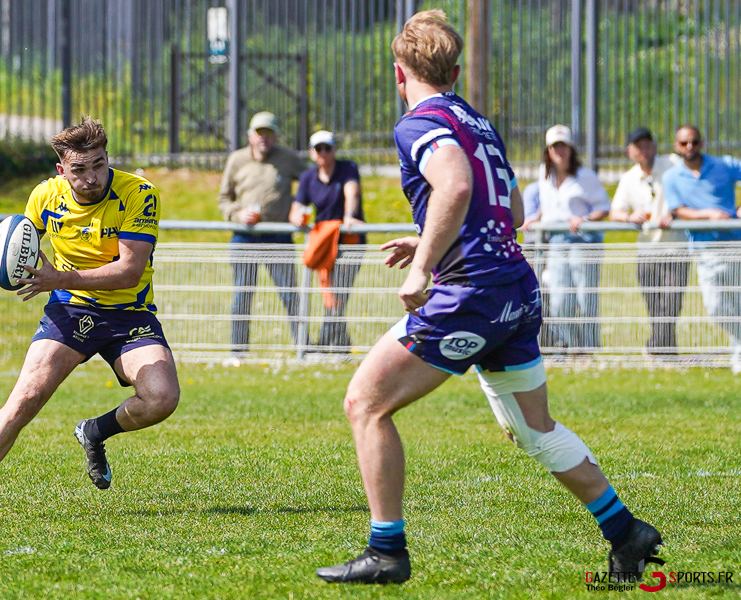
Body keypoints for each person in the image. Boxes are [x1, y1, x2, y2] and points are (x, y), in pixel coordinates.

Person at [316, 10, 661, 585]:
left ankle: (386, 551)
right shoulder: (477, 122)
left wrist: (424, 265)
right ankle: (626, 530)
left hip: (469, 293)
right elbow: (515, 212)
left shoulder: (416, 123)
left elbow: (454, 184)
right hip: (515, 289)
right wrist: (429, 236)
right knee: (533, 429)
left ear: (399, 75)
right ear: (454, 71)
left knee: (365, 404)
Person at [0, 118, 180, 519]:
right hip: (71, 307)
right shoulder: (46, 196)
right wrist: (3, 253)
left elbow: (130, 270)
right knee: (26, 397)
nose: (91, 177)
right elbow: (23, 240)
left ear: (107, 159)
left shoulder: (138, 194)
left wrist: (56, 277)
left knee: (162, 398)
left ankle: (95, 431)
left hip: (127, 313)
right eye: (79, 170)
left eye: (98, 165)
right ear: (61, 171)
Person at [217, 112, 309, 355]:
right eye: (259, 133)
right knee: (242, 296)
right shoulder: (237, 160)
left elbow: (311, 182)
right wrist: (238, 214)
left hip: (278, 236)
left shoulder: (288, 159)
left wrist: (299, 208)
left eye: (269, 133)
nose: (264, 138)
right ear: (250, 136)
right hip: (244, 237)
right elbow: (224, 199)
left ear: (276, 135)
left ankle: (303, 349)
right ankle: (238, 353)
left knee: (290, 295)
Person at [663, 125, 741, 374]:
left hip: (733, 243)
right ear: (676, 146)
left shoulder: (724, 165)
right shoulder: (671, 177)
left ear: (702, 143)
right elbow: (679, 209)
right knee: (715, 306)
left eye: (694, 142)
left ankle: (738, 352)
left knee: (737, 302)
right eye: (684, 143)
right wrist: (706, 214)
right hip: (704, 247)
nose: (690, 148)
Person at [609, 127, 686, 356]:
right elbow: (615, 212)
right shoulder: (629, 178)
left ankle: (658, 349)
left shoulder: (673, 164)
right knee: (653, 305)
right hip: (646, 250)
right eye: (638, 146)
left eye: (647, 144)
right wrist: (629, 217)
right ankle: (664, 351)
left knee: (671, 303)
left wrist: (675, 212)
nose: (644, 150)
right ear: (629, 151)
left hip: (675, 248)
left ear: (654, 146)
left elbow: (689, 186)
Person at [536, 125, 610, 352]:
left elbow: (604, 206)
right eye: (555, 146)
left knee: (585, 297)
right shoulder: (544, 174)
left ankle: (589, 349)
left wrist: (585, 218)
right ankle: (571, 346)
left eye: (563, 146)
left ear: (571, 149)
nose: (559, 151)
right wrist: (534, 218)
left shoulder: (585, 176)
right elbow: (547, 205)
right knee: (559, 301)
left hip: (583, 241)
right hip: (556, 242)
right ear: (548, 150)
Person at [290, 130, 365, 350]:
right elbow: (297, 207)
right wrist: (296, 217)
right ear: (312, 153)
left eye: (327, 148)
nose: (323, 153)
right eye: (318, 149)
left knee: (339, 294)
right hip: (324, 241)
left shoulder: (347, 169)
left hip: (348, 241)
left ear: (334, 150)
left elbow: (352, 192)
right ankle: (339, 345)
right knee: (330, 294)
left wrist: (349, 215)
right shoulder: (308, 177)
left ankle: (326, 344)